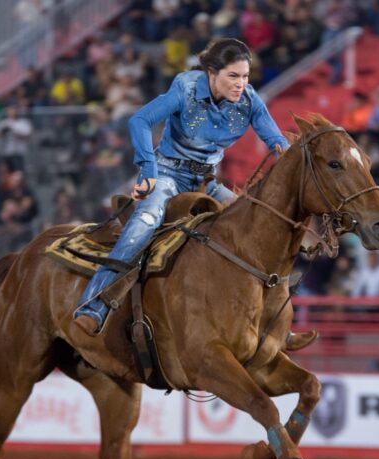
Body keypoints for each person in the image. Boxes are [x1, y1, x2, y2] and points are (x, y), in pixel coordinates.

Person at [69, 38, 317, 351]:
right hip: (167, 176)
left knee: (262, 228)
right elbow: (140, 119)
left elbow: (276, 141)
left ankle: (276, 325)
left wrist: (290, 154)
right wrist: (147, 171)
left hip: (208, 182)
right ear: (211, 73)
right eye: (233, 76)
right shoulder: (185, 88)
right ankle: (93, 306)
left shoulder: (250, 101)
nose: (241, 84)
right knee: (144, 223)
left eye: (245, 76)